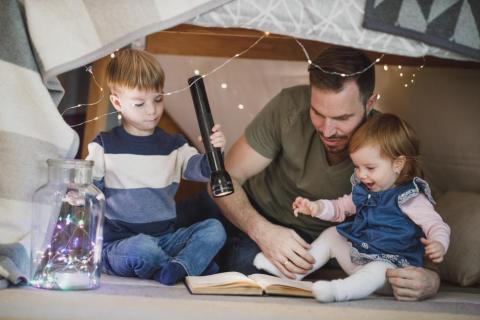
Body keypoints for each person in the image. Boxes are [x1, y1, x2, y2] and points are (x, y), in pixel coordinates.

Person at [210, 46, 443, 300]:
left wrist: (431, 280)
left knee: (245, 267)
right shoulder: (288, 106)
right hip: (252, 214)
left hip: (317, 249)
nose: (328, 130)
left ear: (370, 103)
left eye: (342, 118)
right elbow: (223, 178)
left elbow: (417, 227)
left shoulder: (387, 144)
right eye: (318, 113)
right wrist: (261, 230)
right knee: (181, 224)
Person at [253, 113, 450, 302]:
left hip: (392, 272)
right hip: (359, 258)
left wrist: (438, 243)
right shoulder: (364, 191)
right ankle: (292, 272)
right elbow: (339, 208)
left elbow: (437, 225)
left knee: (378, 268)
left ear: (398, 164)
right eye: (357, 167)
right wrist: (316, 207)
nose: (362, 175)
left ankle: (340, 291)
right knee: (333, 234)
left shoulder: (410, 198)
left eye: (370, 168)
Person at [86, 49, 226, 285]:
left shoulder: (174, 145)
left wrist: (215, 152)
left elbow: (203, 171)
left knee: (215, 229)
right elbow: (88, 194)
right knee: (142, 250)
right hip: (121, 244)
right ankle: (189, 264)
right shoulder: (103, 146)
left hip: (165, 239)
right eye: (140, 103)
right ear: (117, 102)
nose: (152, 110)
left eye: (158, 99)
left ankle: (177, 267)